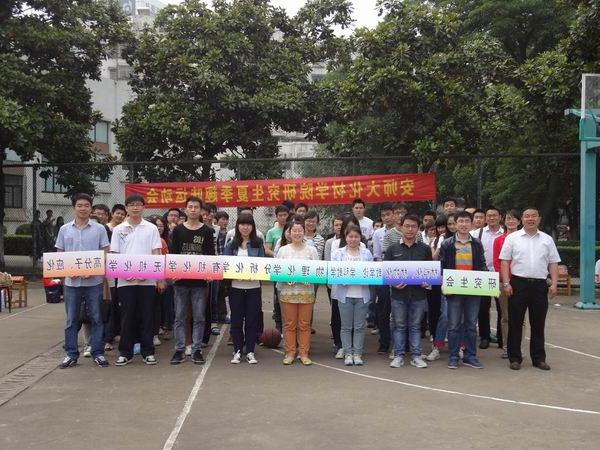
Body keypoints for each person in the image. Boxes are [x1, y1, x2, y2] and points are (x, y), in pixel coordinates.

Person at [500, 207, 560, 371]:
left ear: (539, 219)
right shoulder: (512, 238)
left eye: (534, 216)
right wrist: (506, 283)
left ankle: (539, 359)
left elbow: (553, 263)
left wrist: (554, 284)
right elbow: (504, 261)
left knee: (538, 323)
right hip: (518, 284)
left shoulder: (547, 239)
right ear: (522, 219)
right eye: (527, 216)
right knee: (515, 322)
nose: (530, 219)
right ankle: (515, 358)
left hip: (540, 285)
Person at [55, 193, 110, 369]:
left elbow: (105, 253)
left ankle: (97, 352)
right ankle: (71, 354)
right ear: (74, 207)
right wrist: (67, 271)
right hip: (72, 283)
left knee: (96, 317)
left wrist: (93, 270)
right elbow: (60, 254)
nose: (83, 208)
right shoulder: (64, 229)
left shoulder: (99, 229)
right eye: (79, 205)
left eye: (86, 205)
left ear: (91, 208)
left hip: (93, 281)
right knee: (71, 319)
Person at [111, 194, 166, 366]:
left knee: (147, 316)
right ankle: (125, 352)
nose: (135, 207)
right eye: (132, 205)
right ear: (126, 207)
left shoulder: (151, 228)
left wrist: (158, 278)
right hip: (125, 281)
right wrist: (124, 273)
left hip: (147, 280)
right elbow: (114, 254)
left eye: (139, 205)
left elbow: (156, 253)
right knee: (127, 317)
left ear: (144, 207)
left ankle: (147, 351)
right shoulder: (119, 229)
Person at [169, 197, 215, 365]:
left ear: (201, 210)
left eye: (196, 207)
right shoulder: (178, 230)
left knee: (199, 317)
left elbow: (210, 255)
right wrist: (173, 272)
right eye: (190, 207)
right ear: (185, 210)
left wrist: (209, 273)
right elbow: (173, 254)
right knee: (180, 317)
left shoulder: (207, 231)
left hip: (200, 282)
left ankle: (196, 350)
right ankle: (180, 349)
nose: (193, 210)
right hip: (180, 281)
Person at [440, 210, 487, 369]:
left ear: (471, 224)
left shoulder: (477, 243)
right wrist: (444, 285)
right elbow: (442, 266)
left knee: (471, 325)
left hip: (473, 290)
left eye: (467, 221)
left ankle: (470, 356)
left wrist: (488, 283)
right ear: (455, 223)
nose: (464, 224)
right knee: (453, 325)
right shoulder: (447, 244)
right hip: (454, 289)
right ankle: (453, 356)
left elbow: (482, 265)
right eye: (461, 221)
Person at [386, 214, 432, 369]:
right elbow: (386, 273)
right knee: (399, 326)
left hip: (418, 295)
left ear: (418, 229)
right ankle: (398, 355)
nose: (410, 229)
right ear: (401, 227)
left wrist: (427, 283)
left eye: (413, 226)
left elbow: (429, 272)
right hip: (398, 295)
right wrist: (393, 284)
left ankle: (416, 356)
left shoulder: (424, 249)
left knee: (415, 326)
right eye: (407, 226)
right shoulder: (393, 249)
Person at [277, 219, 319, 365]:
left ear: (304, 232)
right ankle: (290, 352)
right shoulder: (283, 250)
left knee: (304, 324)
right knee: (289, 324)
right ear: (289, 233)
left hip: (306, 293)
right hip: (288, 293)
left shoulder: (311, 250)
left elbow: (317, 270)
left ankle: (304, 353)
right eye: (294, 230)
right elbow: (278, 271)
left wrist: (311, 279)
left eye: (300, 230)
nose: (297, 233)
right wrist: (285, 279)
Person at [224, 214, 265, 364]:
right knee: (236, 319)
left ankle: (250, 351)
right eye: (242, 224)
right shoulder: (231, 244)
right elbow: (226, 264)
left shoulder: (258, 243)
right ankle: (237, 350)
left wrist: (253, 275)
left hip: (253, 287)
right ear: (237, 226)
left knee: (252, 320)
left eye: (248, 224)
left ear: (253, 227)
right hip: (236, 287)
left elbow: (262, 265)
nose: (245, 227)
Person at [332, 224, 373, 366]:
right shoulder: (338, 253)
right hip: (344, 295)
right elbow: (334, 273)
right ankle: (348, 353)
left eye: (356, 236)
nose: (353, 239)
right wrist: (344, 279)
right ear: (346, 237)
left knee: (360, 327)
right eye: (350, 236)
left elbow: (371, 273)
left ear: (360, 237)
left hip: (362, 295)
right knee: (346, 326)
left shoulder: (366, 253)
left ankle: (357, 353)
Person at [471, 206, 504, 350]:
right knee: (483, 309)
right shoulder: (477, 233)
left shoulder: (506, 233)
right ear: (485, 218)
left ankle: (502, 338)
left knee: (502, 309)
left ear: (500, 217)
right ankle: (485, 337)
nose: (492, 218)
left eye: (494, 215)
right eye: (489, 215)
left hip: (501, 276)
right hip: (483, 275)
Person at [493, 209, 521, 359]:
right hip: (503, 282)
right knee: (505, 316)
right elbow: (497, 263)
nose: (511, 221)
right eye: (508, 219)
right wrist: (505, 281)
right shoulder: (498, 240)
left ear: (519, 221)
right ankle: (506, 347)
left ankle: (518, 347)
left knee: (520, 318)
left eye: (514, 219)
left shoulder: (524, 239)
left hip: (521, 282)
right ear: (504, 221)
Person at [372, 203, 396, 354]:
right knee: (383, 309)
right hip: (383, 274)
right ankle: (384, 342)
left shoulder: (401, 231)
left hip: (401, 274)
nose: (386, 218)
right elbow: (376, 255)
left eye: (388, 214)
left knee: (399, 310)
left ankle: (402, 343)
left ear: (394, 215)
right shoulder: (377, 233)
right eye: (383, 215)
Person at [324, 214, 344, 357]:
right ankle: (337, 342)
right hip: (334, 282)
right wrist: (329, 280)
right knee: (336, 312)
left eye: (341, 225)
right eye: (336, 225)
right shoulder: (331, 243)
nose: (339, 227)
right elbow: (328, 261)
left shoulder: (358, 241)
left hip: (351, 285)